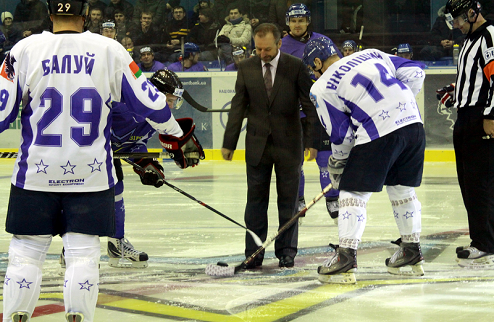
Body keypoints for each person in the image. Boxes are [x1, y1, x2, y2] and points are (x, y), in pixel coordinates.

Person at [0, 1, 203, 321]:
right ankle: (78, 316)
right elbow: (153, 104)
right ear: (85, 15)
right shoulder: (110, 50)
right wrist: (176, 137)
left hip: (34, 175)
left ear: (50, 14)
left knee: (25, 253)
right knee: (82, 256)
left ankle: (15, 315)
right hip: (90, 177)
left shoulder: (23, 49)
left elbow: (2, 113)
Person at [302, 37, 426, 284]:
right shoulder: (371, 53)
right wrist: (399, 104)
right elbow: (415, 71)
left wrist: (338, 163)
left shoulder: (321, 87)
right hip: (413, 125)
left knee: (352, 193)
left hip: (378, 130)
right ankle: (411, 249)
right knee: (402, 189)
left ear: (316, 62)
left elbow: (342, 135)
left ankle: (346, 256)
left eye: (311, 69)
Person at [222, 23, 316, 269]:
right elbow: (238, 106)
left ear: (279, 44)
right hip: (257, 146)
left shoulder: (295, 67)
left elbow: (309, 106)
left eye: (267, 49)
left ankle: (287, 252)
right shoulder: (246, 68)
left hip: (289, 145)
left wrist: (312, 141)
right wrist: (229, 142)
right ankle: (254, 252)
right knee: (255, 203)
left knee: (288, 202)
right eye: (258, 49)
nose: (262, 54)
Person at [438, 0, 494, 268]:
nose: (457, 25)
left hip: (480, 118)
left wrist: (491, 115)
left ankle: (485, 243)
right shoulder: (471, 40)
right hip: (466, 117)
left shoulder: (489, 36)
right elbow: (475, 78)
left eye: (459, 19)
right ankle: (481, 239)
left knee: (480, 183)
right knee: (469, 182)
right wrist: (454, 90)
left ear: (473, 13)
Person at [280, 3, 341, 223]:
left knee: (325, 159)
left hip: (321, 112)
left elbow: (338, 68)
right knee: (295, 161)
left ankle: (332, 197)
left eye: (301, 20)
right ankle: (298, 199)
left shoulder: (324, 42)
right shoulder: (282, 45)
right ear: (288, 23)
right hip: (294, 114)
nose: (297, 25)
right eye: (293, 21)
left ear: (308, 21)